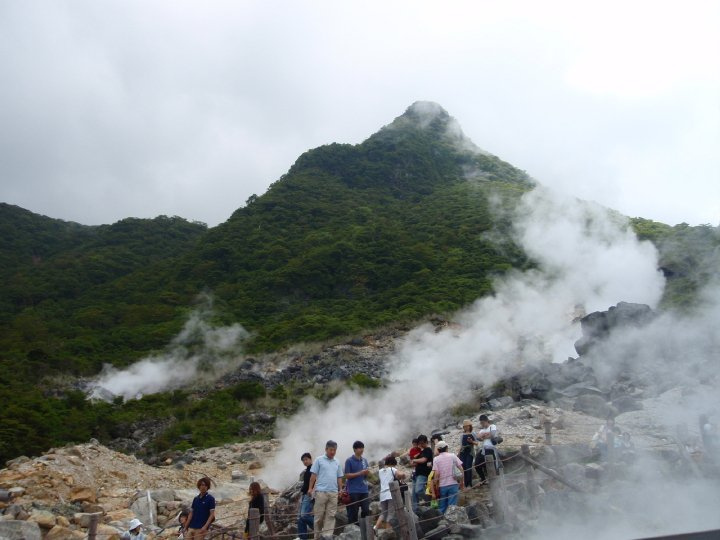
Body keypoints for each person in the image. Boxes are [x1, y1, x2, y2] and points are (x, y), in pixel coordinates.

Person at [308, 440, 343, 540]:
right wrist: (310, 488)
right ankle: (317, 536)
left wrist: (340, 489)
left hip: (333, 492)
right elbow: (313, 475)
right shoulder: (319, 460)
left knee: (331, 515)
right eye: (331, 450)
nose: (333, 452)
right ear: (326, 449)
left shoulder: (337, 461)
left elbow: (339, 477)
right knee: (318, 516)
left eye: (334, 450)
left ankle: (327, 536)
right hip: (321, 492)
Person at [431, 441, 464, 514]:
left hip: (442, 486)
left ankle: (441, 521)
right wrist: (462, 482)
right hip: (453, 484)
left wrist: (435, 485)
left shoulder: (436, 459)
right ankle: (451, 521)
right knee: (452, 506)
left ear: (438, 450)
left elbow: (436, 473)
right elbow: (461, 469)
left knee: (442, 506)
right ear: (446, 448)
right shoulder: (452, 456)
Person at [375, 455, 406, 531]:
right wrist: (403, 475)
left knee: (383, 513)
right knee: (391, 513)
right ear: (393, 463)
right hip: (391, 494)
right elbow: (401, 475)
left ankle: (375, 527)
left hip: (382, 494)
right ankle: (388, 530)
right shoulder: (393, 469)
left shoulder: (380, 471)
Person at [344, 441, 370, 525]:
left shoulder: (365, 460)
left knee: (366, 510)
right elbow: (347, 475)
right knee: (353, 512)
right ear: (355, 449)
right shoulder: (349, 461)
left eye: (362, 448)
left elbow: (366, 475)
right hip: (353, 490)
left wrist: (366, 473)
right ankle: (353, 530)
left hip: (364, 489)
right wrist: (360, 473)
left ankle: (364, 527)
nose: (361, 450)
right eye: (359, 448)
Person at [409, 434, 433, 513]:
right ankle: (415, 510)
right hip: (416, 474)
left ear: (426, 442)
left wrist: (414, 460)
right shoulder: (421, 452)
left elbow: (424, 460)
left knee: (418, 490)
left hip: (423, 474)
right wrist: (414, 461)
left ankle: (428, 498)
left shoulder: (428, 450)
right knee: (414, 494)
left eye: (423, 443)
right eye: (420, 443)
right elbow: (413, 463)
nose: (421, 445)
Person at [473, 415, 499, 483]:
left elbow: (492, 434)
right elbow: (478, 438)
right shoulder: (482, 429)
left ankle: (493, 480)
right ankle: (483, 479)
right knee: (477, 464)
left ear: (487, 421)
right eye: (481, 423)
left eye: (483, 422)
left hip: (491, 448)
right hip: (483, 449)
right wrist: (486, 435)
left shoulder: (492, 426)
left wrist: (483, 436)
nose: (482, 424)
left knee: (491, 464)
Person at [297, 452, 315, 540]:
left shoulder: (313, 469)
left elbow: (316, 481)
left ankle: (319, 528)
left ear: (310, 459)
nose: (305, 461)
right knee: (300, 518)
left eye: (306, 459)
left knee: (304, 515)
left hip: (310, 495)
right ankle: (302, 537)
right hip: (304, 495)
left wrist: (311, 490)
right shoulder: (307, 469)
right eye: (303, 460)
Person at [459, 419, 478, 488]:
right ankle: (465, 483)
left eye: (468, 426)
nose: (466, 427)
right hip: (463, 452)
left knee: (468, 467)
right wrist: (458, 454)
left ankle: (469, 484)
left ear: (470, 426)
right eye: (465, 426)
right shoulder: (462, 435)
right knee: (463, 467)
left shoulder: (473, 433)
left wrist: (471, 441)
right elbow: (461, 445)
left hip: (470, 452)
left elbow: (477, 443)